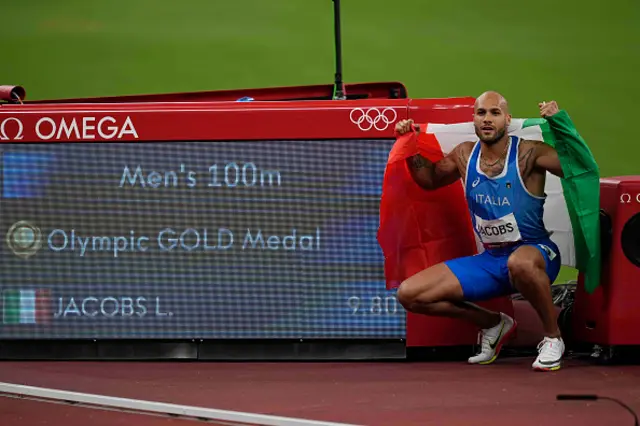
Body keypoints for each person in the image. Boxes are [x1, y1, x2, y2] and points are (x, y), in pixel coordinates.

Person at [394, 91, 567, 371]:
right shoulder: (465, 155)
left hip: (536, 254)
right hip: (491, 261)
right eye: (481, 113)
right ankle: (493, 324)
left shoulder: (529, 152)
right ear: (473, 119)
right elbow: (429, 179)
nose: (487, 119)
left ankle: (552, 338)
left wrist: (561, 124)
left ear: (507, 119)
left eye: (495, 113)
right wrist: (409, 146)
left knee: (519, 262)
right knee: (410, 294)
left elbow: (578, 169)